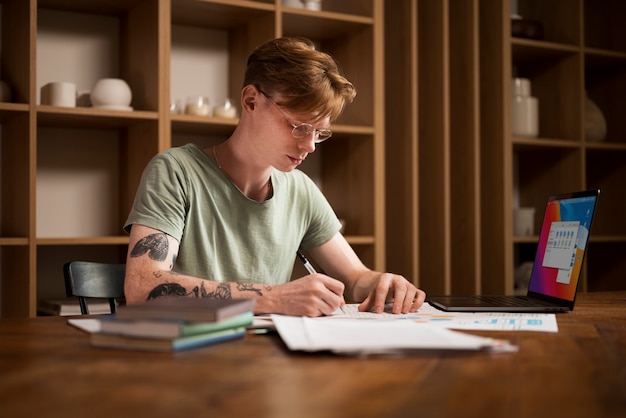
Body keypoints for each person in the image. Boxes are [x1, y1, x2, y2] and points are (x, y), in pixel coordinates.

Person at [123, 36, 426, 316]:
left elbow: (356, 278)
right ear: (251, 100)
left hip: (271, 361)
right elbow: (142, 287)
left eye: (319, 133)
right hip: (191, 358)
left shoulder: (300, 190)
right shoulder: (176, 171)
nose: (309, 145)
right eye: (298, 126)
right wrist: (273, 297)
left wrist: (382, 284)